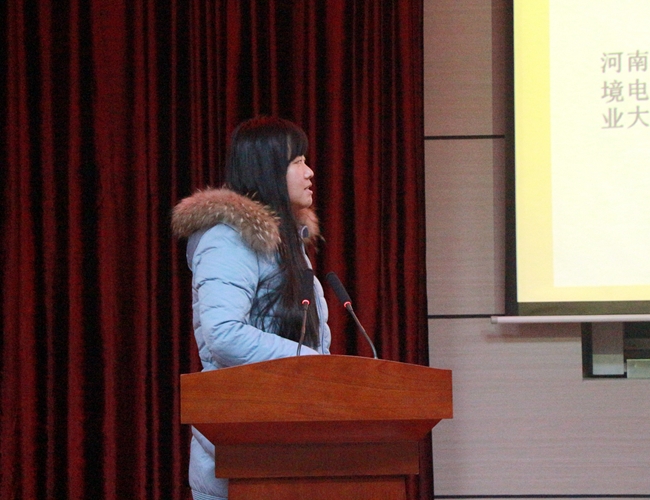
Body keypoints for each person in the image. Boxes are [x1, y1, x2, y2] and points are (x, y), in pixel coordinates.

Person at [171, 116, 331, 500]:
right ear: (267, 168)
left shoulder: (289, 241)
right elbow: (223, 333)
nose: (309, 172)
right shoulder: (229, 239)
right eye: (297, 162)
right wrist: (312, 364)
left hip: (290, 437)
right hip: (242, 445)